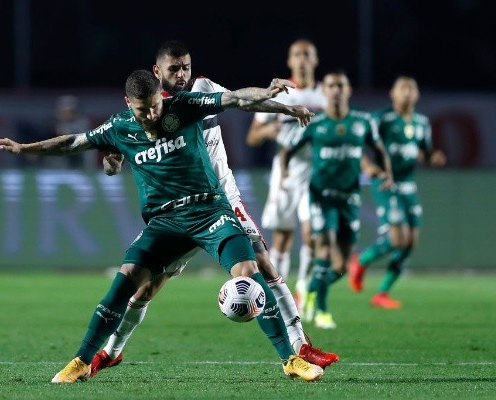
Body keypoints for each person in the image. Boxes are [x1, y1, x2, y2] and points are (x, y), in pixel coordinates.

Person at [0, 69, 325, 383]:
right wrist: (23, 148)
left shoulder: (184, 107)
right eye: (141, 110)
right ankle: (82, 360)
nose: (149, 115)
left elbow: (235, 98)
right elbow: (74, 142)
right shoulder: (120, 127)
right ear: (128, 104)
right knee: (127, 279)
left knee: (248, 269)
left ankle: (291, 360)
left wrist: (270, 96)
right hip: (164, 223)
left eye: (153, 107)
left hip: (209, 211)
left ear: (160, 97)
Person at [90, 40, 338, 378]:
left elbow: (240, 101)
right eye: (174, 69)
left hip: (222, 201)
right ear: (157, 72)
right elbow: (114, 158)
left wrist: (282, 106)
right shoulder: (146, 113)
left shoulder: (202, 91)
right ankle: (111, 350)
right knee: (147, 286)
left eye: (186, 67)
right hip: (176, 212)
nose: (182, 74)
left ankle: (299, 346)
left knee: (261, 260)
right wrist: (112, 162)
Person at [279, 70, 393, 329]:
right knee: (325, 249)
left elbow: (379, 150)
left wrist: (386, 173)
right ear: (325, 91)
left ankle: (311, 287)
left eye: (341, 85)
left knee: (341, 266)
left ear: (348, 90)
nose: (336, 90)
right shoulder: (315, 123)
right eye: (331, 85)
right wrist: (285, 173)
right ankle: (322, 311)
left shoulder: (362, 122)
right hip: (321, 196)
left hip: (350, 198)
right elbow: (288, 149)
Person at [348, 76, 446, 308]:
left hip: (408, 185)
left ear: (418, 94)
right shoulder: (382, 118)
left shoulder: (422, 122)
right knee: (397, 238)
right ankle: (360, 261)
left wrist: (434, 157)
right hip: (385, 182)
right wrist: (368, 166)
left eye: (412, 88)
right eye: (402, 88)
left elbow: (424, 151)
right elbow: (355, 142)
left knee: (410, 242)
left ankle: (381, 293)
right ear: (392, 94)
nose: (407, 92)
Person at [245, 39, 326, 317]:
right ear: (290, 61)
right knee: (282, 239)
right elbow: (252, 137)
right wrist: (269, 131)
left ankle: (304, 288)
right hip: (286, 176)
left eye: (307, 54)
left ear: (315, 60)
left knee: (313, 235)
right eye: (297, 55)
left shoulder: (324, 96)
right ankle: (281, 293)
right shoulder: (282, 94)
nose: (302, 59)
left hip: (316, 176)